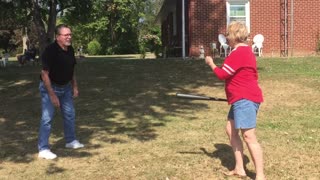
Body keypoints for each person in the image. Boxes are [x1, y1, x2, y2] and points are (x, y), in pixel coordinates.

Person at [205, 21, 265, 180]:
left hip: (245, 99)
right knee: (230, 130)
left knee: (249, 136)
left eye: (228, 34)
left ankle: (260, 175)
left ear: (234, 36)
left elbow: (222, 74)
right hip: (239, 99)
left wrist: (211, 63)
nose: (227, 37)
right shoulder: (244, 52)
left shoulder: (239, 53)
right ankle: (240, 168)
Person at [38, 24, 84, 160]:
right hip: (50, 87)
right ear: (58, 37)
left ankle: (70, 141)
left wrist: (74, 87)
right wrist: (52, 95)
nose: (69, 37)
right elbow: (44, 74)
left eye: (70, 34)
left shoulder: (70, 50)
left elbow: (72, 70)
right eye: (66, 35)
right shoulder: (50, 51)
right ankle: (43, 149)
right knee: (47, 118)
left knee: (70, 115)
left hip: (65, 88)